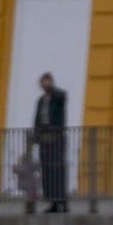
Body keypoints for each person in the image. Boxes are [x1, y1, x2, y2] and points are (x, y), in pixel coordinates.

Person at [33, 73, 69, 213]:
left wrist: (52, 88)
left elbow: (62, 95)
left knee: (57, 170)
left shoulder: (58, 98)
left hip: (56, 138)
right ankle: (52, 201)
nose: (44, 85)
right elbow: (37, 119)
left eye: (46, 82)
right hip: (44, 139)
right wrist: (36, 136)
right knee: (47, 171)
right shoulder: (41, 100)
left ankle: (62, 202)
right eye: (42, 82)